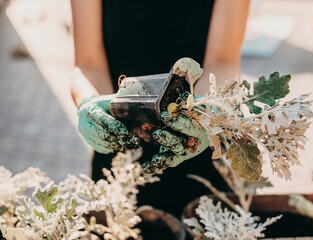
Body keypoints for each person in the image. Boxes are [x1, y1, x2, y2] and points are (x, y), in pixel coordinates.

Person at [70, 0, 250, 218]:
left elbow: (223, 61)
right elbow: (87, 64)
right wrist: (90, 102)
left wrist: (205, 114)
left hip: (198, 144)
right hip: (120, 147)